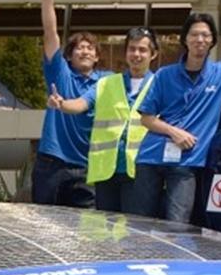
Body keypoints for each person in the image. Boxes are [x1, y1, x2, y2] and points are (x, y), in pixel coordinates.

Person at [132, 9, 221, 222]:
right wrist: (173, 132)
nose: (200, 39)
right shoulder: (165, 74)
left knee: (177, 227)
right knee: (139, 226)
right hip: (150, 156)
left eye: (205, 35)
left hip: (187, 161)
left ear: (213, 40)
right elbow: (146, 118)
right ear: (185, 39)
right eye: (194, 34)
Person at [61, 27, 163, 213]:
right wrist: (62, 104)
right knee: (105, 231)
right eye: (132, 49)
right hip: (107, 171)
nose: (136, 54)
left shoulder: (161, 84)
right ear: (125, 53)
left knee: (135, 231)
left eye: (142, 50)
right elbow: (82, 103)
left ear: (153, 54)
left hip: (142, 171)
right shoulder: (106, 83)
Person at [35, 0, 104, 211]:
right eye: (78, 48)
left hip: (87, 165)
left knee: (83, 232)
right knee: (45, 226)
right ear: (69, 55)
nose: (84, 51)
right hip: (52, 163)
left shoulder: (106, 82)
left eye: (90, 48)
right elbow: (50, 33)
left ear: (97, 56)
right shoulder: (59, 72)